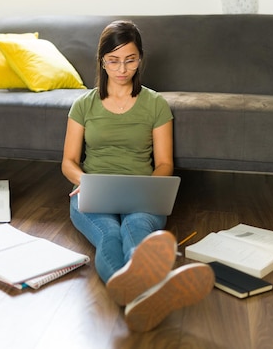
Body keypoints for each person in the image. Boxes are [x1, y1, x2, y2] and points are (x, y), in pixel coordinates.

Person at [61, 20, 214, 332]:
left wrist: (152, 190)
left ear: (140, 59)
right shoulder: (83, 105)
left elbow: (165, 163)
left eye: (130, 60)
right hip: (91, 190)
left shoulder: (155, 104)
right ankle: (149, 293)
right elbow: (69, 161)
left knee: (137, 230)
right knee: (109, 236)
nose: (121, 69)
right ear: (101, 61)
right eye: (113, 61)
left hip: (142, 191)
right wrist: (83, 181)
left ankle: (135, 295)